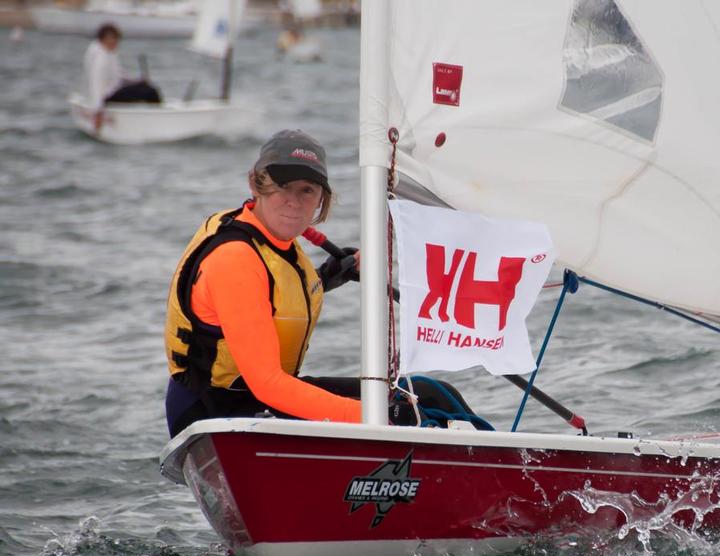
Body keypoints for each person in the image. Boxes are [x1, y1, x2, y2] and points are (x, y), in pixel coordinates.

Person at [164, 129, 480, 437]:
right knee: (408, 414)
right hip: (218, 412)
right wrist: (372, 419)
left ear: (320, 198)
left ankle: (501, 466)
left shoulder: (276, 243)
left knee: (434, 394)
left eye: (307, 190)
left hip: (258, 401)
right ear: (255, 184)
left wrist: (328, 276)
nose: (294, 202)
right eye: (282, 186)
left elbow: (273, 297)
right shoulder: (235, 257)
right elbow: (266, 382)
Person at [82, 23, 162, 133]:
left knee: (145, 87)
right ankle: (159, 117)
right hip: (107, 97)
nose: (115, 42)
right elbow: (96, 84)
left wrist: (137, 80)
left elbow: (119, 76)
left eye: (116, 39)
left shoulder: (108, 52)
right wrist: (98, 111)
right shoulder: (101, 58)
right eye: (112, 39)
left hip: (113, 91)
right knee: (150, 91)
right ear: (104, 39)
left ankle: (154, 113)